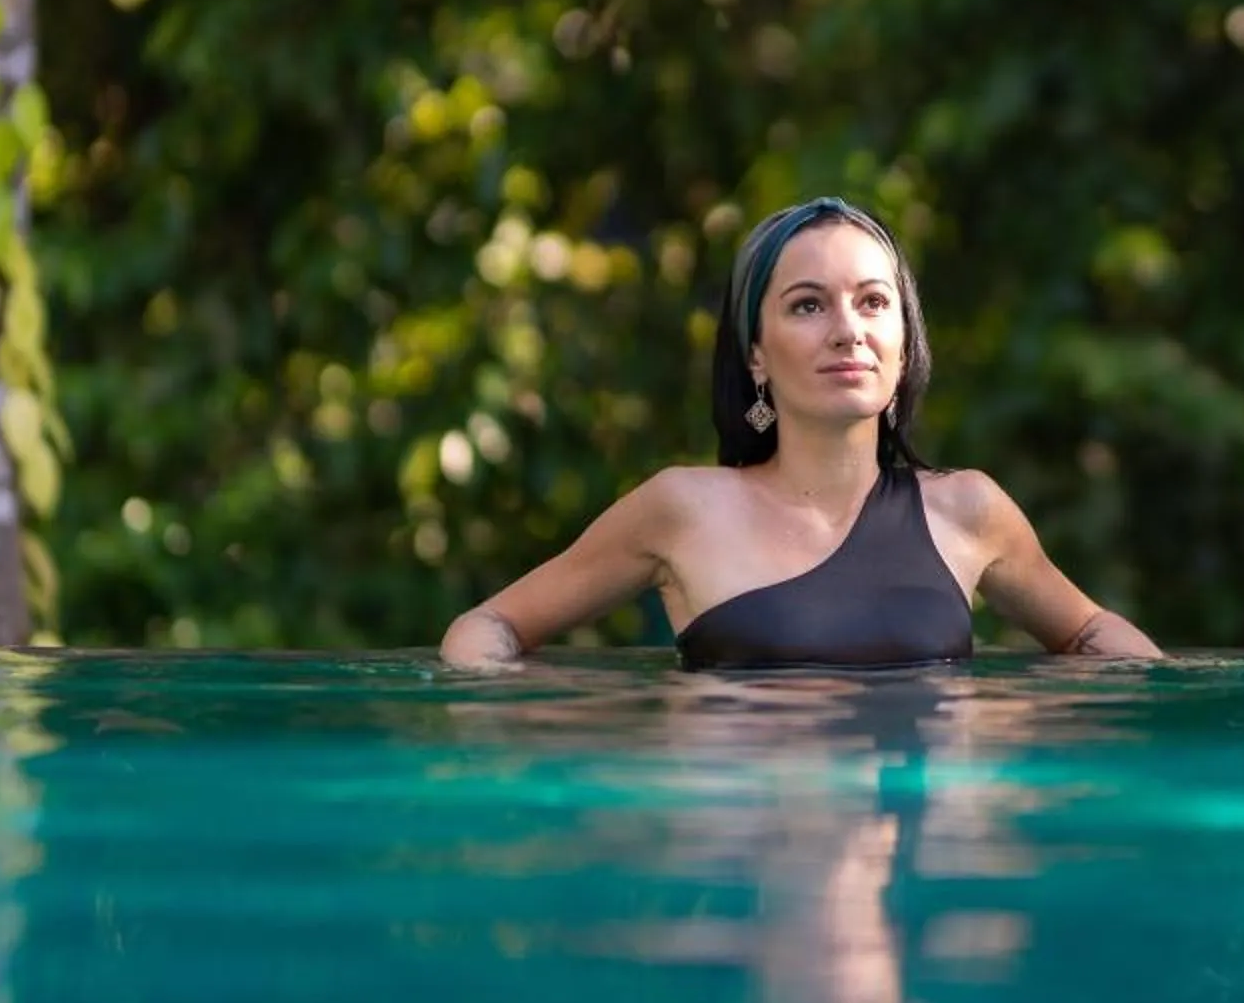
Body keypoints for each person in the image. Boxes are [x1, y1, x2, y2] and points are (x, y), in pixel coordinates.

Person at [439, 197, 1161, 669]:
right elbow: (488, 627)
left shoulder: (968, 510)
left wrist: (1171, 711)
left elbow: (1093, 634)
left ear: (903, 345)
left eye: (873, 302)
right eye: (808, 306)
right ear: (756, 352)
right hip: (743, 882)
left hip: (916, 876)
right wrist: (522, 733)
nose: (848, 331)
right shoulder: (684, 508)